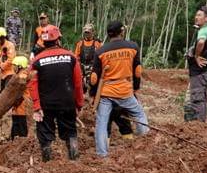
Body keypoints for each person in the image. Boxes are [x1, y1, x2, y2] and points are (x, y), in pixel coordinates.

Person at [90, 20, 149, 157]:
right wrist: (136, 89)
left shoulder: (100, 51)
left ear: (108, 34)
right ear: (121, 32)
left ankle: (102, 154)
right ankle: (147, 144)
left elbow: (94, 78)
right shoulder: (133, 47)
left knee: (102, 124)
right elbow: (138, 71)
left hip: (106, 93)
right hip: (125, 91)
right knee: (139, 115)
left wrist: (93, 95)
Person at [28, 26, 84, 161]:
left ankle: (47, 164)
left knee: (45, 135)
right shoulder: (71, 57)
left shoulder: (36, 61)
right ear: (58, 39)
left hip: (46, 105)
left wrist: (36, 106)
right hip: (67, 103)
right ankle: (74, 161)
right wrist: (79, 104)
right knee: (70, 132)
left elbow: (32, 85)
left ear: (43, 42)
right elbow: (78, 83)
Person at [185, 6, 207, 122]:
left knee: (196, 100)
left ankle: (197, 126)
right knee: (197, 100)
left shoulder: (204, 30)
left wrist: (196, 56)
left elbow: (200, 42)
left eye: (199, 15)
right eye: (196, 15)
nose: (196, 17)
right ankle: (194, 125)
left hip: (200, 73)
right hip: (204, 73)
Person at [8, 55, 31, 140]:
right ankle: (13, 139)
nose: (13, 67)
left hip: (22, 103)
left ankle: (20, 140)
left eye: (15, 65)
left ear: (20, 66)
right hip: (18, 104)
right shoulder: (19, 74)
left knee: (21, 124)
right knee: (16, 122)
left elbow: (19, 90)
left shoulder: (22, 76)